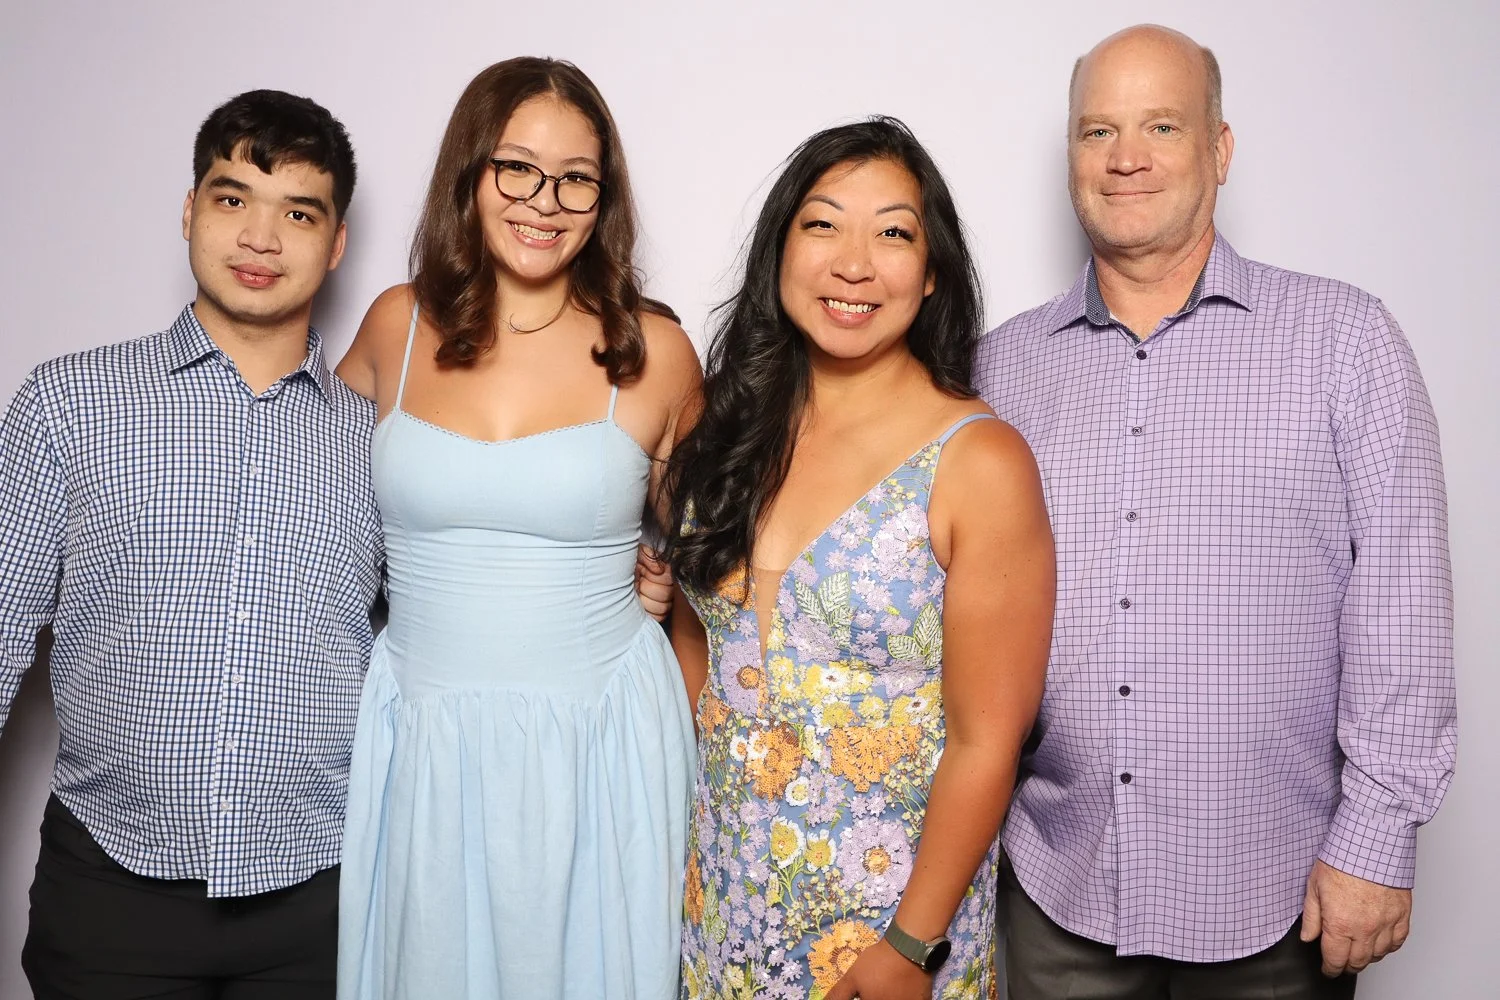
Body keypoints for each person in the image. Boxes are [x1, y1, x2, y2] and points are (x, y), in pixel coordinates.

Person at [975, 24, 1457, 999]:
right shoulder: (999, 367)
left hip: (1279, 894)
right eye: (1096, 129)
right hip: (1056, 885)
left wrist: (1378, 834)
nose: (1126, 158)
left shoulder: (1346, 343)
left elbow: (1403, 599)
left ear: (1220, 148)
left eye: (1161, 124)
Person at [333, 57, 701, 999]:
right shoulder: (394, 325)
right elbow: (307, 519)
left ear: (603, 196)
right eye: (518, 169)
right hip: (426, 737)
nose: (547, 201)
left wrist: (662, 586)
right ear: (472, 171)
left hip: (600, 746)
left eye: (577, 177)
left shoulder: (654, 351)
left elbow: (716, 567)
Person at [0, 91, 381, 998]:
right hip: (108, 898)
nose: (260, 236)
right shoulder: (68, 405)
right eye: (231, 197)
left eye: (298, 212)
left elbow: (441, 643)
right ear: (188, 210)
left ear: (334, 246)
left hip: (317, 906)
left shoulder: (379, 445)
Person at [664, 117, 1054, 1000]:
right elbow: (704, 647)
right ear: (780, 249)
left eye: (893, 233)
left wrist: (911, 947)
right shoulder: (722, 423)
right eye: (823, 224)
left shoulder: (980, 461)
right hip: (723, 906)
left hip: (885, 930)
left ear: (931, 273)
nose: (853, 263)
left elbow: (989, 739)